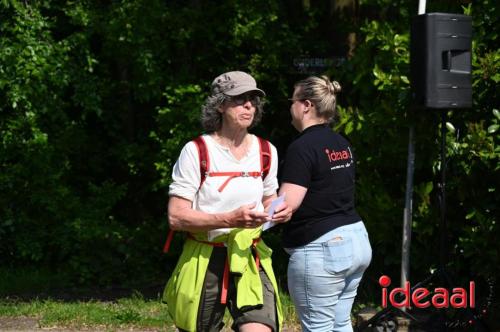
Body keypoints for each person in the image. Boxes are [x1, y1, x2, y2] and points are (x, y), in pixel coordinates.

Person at [162, 71, 291, 332]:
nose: (249, 106)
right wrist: (228, 219)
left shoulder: (266, 150)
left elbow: (269, 198)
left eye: (253, 100)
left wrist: (277, 211)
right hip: (206, 256)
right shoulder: (197, 150)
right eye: (239, 99)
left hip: (249, 255)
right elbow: (176, 217)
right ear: (220, 105)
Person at [278, 76, 372, 332]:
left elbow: (287, 205)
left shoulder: (302, 147)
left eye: (292, 101)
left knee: (318, 328)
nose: (290, 107)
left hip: (323, 250)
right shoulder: (342, 143)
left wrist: (249, 211)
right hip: (357, 241)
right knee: (340, 323)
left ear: (306, 105)